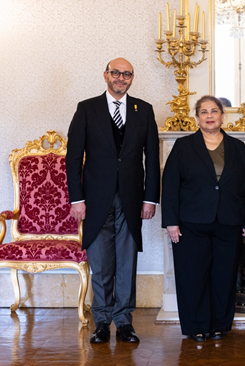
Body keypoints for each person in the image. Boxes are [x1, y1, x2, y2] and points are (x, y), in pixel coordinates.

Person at [66, 58, 160, 344]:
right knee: (101, 262)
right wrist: (76, 198)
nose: (121, 78)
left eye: (127, 74)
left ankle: (124, 321)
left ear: (132, 78)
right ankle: (102, 322)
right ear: (105, 75)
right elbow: (73, 158)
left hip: (132, 199)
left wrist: (150, 199)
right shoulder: (86, 108)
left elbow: (152, 159)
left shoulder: (143, 110)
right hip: (94, 199)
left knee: (127, 262)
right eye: (116, 73)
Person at [162, 95, 245, 342]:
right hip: (191, 223)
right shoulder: (183, 146)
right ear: (197, 118)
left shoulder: (237, 147)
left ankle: (219, 325)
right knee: (193, 276)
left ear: (222, 116)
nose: (209, 116)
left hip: (229, 222)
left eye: (214, 111)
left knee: (223, 276)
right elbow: (170, 186)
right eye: (204, 112)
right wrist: (171, 222)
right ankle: (196, 326)